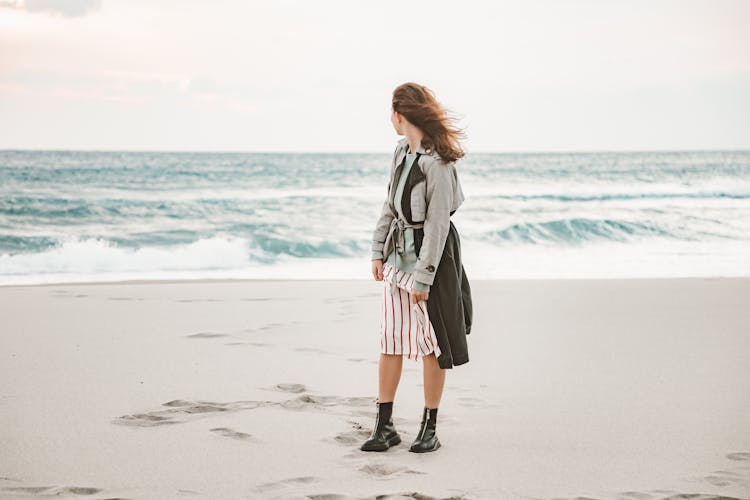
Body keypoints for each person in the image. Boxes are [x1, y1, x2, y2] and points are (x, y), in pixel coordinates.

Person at [361, 82, 473, 453]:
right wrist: (378, 251)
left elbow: (439, 225)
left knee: (430, 345)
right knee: (390, 340)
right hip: (397, 256)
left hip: (431, 261)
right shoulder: (399, 153)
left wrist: (424, 277)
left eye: (389, 113)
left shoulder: (438, 164)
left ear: (399, 114)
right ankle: (385, 425)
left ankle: (430, 427)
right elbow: (389, 207)